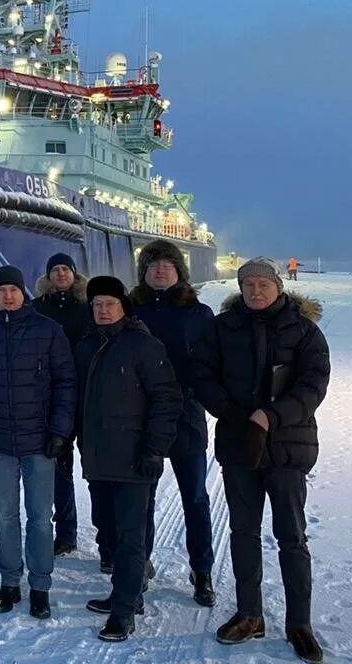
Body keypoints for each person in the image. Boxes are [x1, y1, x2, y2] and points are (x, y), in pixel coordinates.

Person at [192, 258, 330, 664]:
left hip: (288, 446)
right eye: (248, 284)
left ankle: (299, 623)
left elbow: (313, 384)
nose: (255, 291)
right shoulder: (222, 328)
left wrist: (270, 415)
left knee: (292, 536)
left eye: (262, 284)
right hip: (239, 445)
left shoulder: (304, 330)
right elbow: (201, 375)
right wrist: (235, 413)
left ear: (278, 287)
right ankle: (249, 613)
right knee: (243, 531)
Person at [0, 265, 77, 620]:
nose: (8, 296)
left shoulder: (47, 330)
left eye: (14, 289)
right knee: (5, 516)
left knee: (41, 518)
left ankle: (40, 585)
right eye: (1, 291)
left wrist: (60, 431)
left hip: (40, 441)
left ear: (23, 293)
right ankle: (9, 581)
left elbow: (65, 382)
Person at [74, 275, 181, 643]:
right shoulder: (88, 344)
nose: (103, 310)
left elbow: (167, 400)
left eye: (110, 304)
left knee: (131, 536)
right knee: (109, 529)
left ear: (123, 308)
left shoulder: (143, 346)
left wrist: (155, 449)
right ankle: (126, 593)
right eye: (97, 305)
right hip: (99, 457)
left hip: (135, 459)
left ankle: (123, 612)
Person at [130, 239, 217, 606]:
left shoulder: (199, 313)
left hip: (186, 416)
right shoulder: (130, 311)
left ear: (180, 271)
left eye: (167, 265)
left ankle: (202, 570)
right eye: (153, 266)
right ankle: (140, 565)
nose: (160, 270)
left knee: (195, 497)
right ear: (144, 273)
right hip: (141, 416)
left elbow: (215, 362)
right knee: (141, 498)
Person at [31, 252, 89, 559]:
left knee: (95, 470)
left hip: (88, 396)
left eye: (66, 269)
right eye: (56, 270)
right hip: (52, 397)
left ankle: (106, 537)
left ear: (74, 274)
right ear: (49, 276)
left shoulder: (90, 306)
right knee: (60, 468)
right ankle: (66, 533)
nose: (61, 274)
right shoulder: (38, 308)